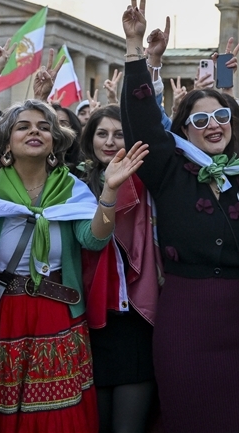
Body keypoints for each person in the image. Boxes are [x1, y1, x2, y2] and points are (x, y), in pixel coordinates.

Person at [119, 0, 239, 433]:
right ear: (184, 131)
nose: (213, 125)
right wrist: (134, 48)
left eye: (221, 117)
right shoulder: (167, 170)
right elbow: (142, 120)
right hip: (188, 321)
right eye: (199, 120)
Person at [0, 35, 141, 432]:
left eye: (43, 128)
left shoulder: (72, 187)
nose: (34, 132)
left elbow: (94, 239)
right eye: (23, 127)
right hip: (2, 313)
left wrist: (111, 191)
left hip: (59, 313)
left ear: (54, 142)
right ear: (7, 144)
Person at [79, 105, 159, 433]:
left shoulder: (145, 181)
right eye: (102, 133)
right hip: (90, 322)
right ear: (90, 139)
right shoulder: (72, 185)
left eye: (119, 133)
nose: (110, 142)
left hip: (135, 320)